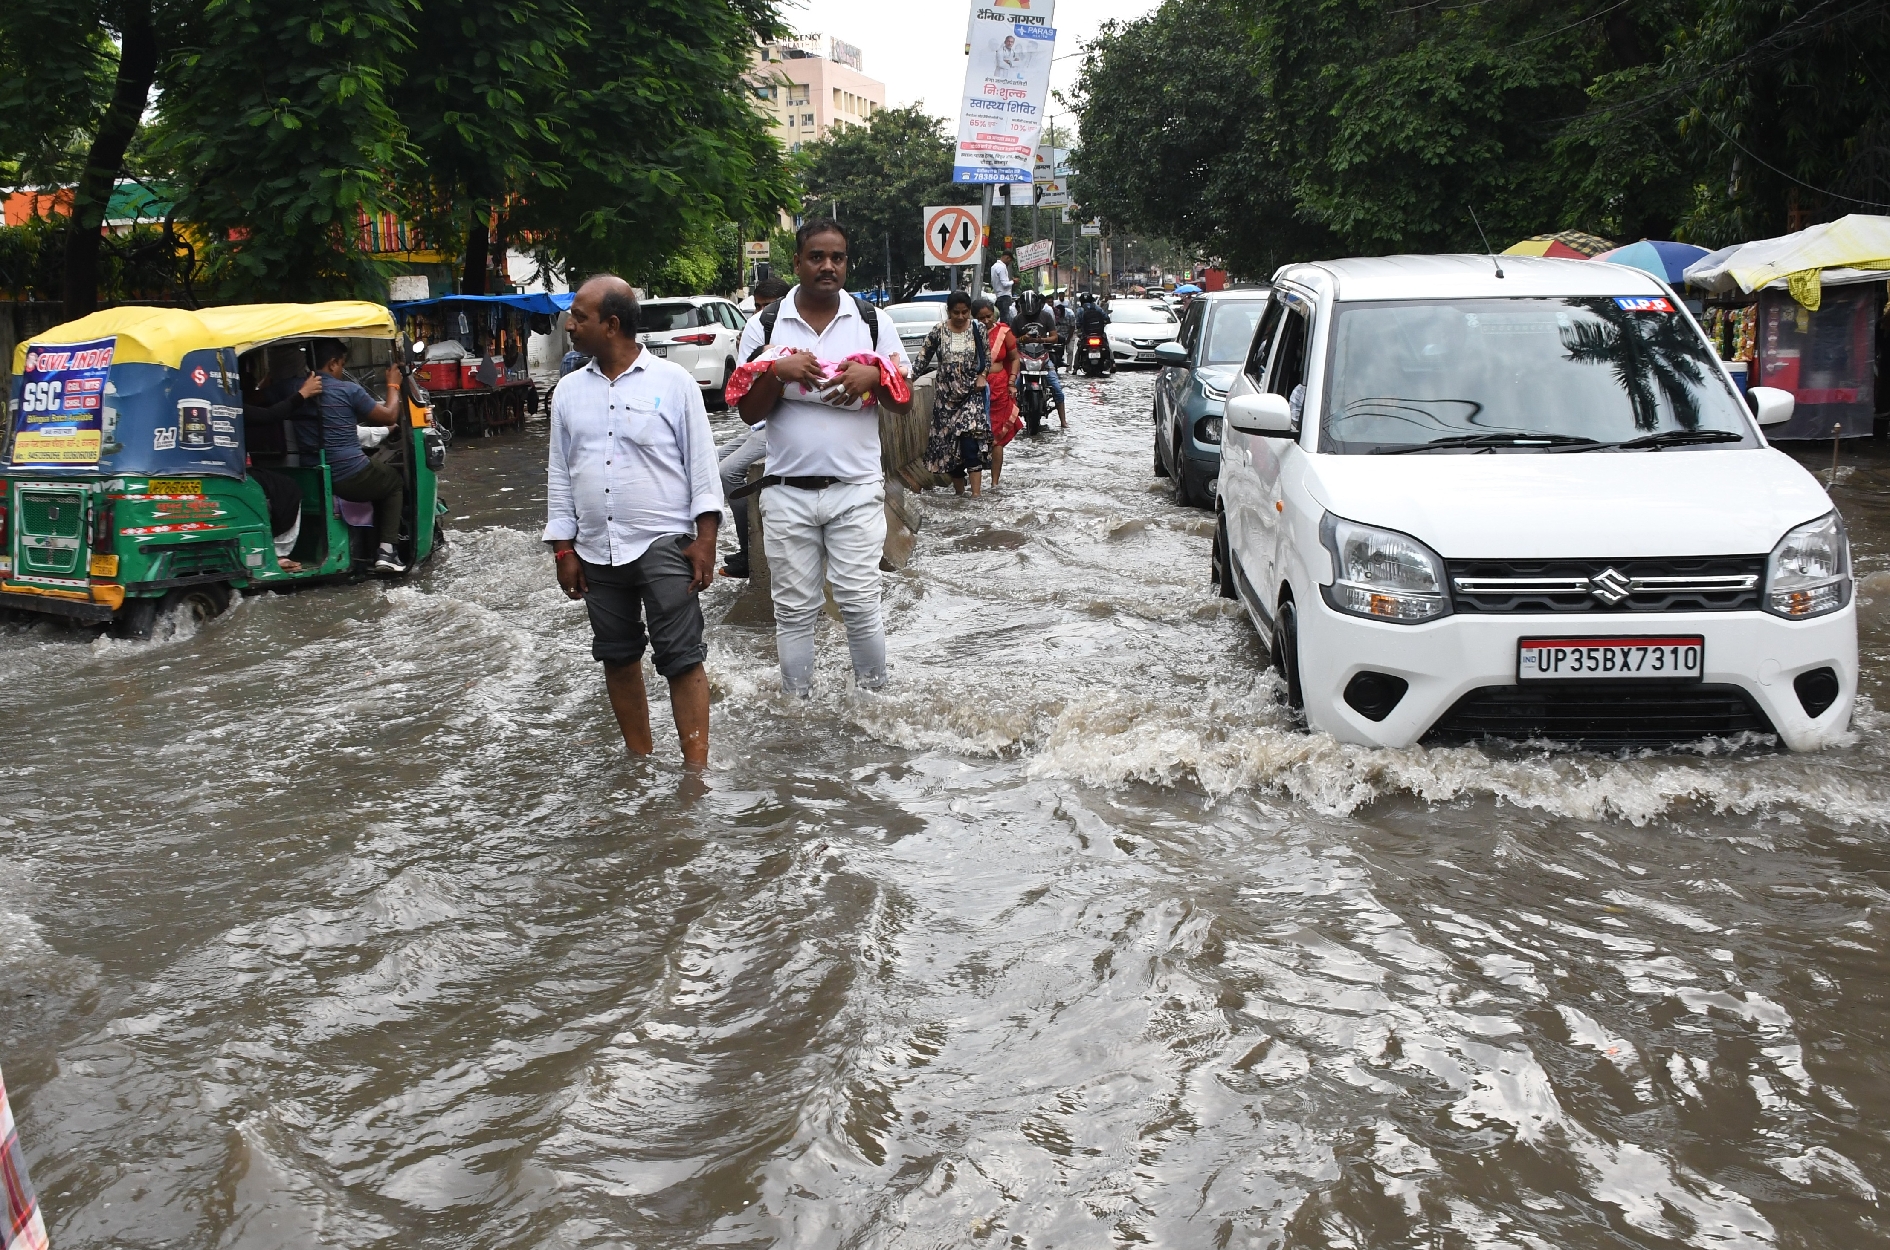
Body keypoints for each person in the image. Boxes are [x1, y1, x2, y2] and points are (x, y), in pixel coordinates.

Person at [546, 275, 722, 768]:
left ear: (613, 324)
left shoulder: (675, 383)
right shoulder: (566, 393)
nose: (570, 323)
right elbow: (561, 476)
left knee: (682, 659)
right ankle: (639, 762)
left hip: (664, 545)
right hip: (596, 549)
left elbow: (702, 469)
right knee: (617, 657)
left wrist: (705, 542)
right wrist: (563, 550)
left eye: (580, 316)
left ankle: (695, 772)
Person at [734, 219, 912, 696]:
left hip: (855, 490)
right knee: (793, 609)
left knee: (859, 602)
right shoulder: (765, 325)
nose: (827, 266)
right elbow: (747, 411)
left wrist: (874, 379)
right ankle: (797, 709)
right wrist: (775, 371)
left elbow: (905, 400)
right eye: (816, 256)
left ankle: (875, 703)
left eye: (837, 258)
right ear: (797, 262)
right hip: (786, 492)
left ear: (846, 263)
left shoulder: (873, 322)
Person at [312, 338, 408, 573]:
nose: (342, 371)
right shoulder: (347, 390)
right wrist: (393, 385)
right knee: (394, 482)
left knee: (377, 474)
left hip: (314, 473)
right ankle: (387, 551)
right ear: (333, 363)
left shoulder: (300, 390)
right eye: (342, 364)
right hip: (347, 474)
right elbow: (389, 416)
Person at [717, 274, 791, 578]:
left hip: (779, 425)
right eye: (757, 307)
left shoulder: (790, 336)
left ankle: (751, 552)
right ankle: (739, 541)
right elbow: (742, 393)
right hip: (758, 424)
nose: (761, 313)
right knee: (713, 460)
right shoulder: (757, 333)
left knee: (728, 471)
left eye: (767, 306)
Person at [241, 358, 322, 570]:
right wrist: (303, 393)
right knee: (289, 489)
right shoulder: (228, 406)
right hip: (233, 473)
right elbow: (270, 415)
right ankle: (278, 552)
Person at [916, 291, 992, 496]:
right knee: (949, 450)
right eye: (955, 313)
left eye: (964, 313)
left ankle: (976, 496)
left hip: (971, 395)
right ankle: (960, 496)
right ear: (948, 311)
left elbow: (986, 357)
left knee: (970, 444)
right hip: (946, 399)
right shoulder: (938, 332)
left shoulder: (979, 329)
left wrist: (982, 375)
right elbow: (922, 360)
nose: (960, 317)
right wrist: (904, 381)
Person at [973, 297, 1022, 485]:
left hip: (999, 387)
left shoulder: (1003, 332)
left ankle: (994, 482)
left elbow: (1014, 358)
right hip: (976, 388)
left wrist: (1011, 382)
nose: (986, 321)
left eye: (989, 316)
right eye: (981, 317)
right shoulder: (971, 333)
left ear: (994, 313)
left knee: (997, 436)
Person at [1074, 292, 1113, 373]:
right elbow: (1105, 317)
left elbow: (1077, 323)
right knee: (1107, 346)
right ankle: (1113, 364)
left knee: (1080, 348)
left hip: (1086, 334)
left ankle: (1075, 368)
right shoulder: (1097, 308)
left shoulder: (1080, 310)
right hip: (1099, 334)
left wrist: (1079, 327)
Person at [989, 250, 1016, 324]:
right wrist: (1013, 281)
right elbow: (1004, 284)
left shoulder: (993, 267)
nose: (1009, 263)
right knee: (1005, 320)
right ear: (1007, 258)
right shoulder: (1002, 267)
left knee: (1000, 318)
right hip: (1004, 296)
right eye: (1009, 261)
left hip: (998, 296)